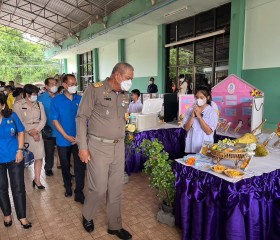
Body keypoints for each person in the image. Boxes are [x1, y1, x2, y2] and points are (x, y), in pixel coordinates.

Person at [76, 62, 133, 239]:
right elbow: (81, 117)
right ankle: (87, 215)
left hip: (119, 146)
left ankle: (114, 226)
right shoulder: (95, 89)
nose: (130, 82)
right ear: (117, 75)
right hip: (98, 147)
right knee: (99, 188)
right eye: (128, 78)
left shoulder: (125, 95)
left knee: (116, 188)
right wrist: (83, 147)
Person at [50, 74, 86, 203]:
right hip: (63, 139)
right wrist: (66, 136)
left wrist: (79, 135)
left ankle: (79, 191)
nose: (74, 86)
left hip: (78, 139)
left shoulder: (80, 99)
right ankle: (68, 187)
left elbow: (85, 118)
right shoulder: (56, 100)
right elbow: (55, 120)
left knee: (80, 166)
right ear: (64, 85)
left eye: (75, 84)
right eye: (71, 84)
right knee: (65, 166)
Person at [0, 95, 32, 229]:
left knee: (18, 187)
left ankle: (22, 217)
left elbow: (20, 132)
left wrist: (20, 150)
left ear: (2, 105)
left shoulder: (11, 116)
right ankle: (7, 214)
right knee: (1, 188)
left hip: (15, 156)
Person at [13, 84, 47, 189]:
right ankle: (20, 183)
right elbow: (19, 121)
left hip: (37, 134)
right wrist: (30, 132)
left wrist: (36, 131)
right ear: (26, 94)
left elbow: (43, 120)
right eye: (33, 94)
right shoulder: (18, 105)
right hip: (24, 135)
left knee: (39, 157)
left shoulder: (39, 104)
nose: (35, 96)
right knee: (22, 160)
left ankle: (37, 180)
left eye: (36, 93)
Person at [182, 86, 218, 153]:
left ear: (207, 98)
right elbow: (186, 128)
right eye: (197, 97)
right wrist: (192, 116)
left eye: (201, 97)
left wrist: (199, 116)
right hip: (191, 144)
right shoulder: (190, 110)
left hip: (205, 144)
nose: (199, 100)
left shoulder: (212, 112)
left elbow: (209, 132)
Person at [38, 77, 58, 176]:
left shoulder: (60, 97)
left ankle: (64, 167)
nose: (54, 86)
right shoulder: (40, 99)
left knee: (63, 150)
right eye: (52, 84)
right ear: (46, 86)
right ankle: (48, 167)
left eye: (55, 83)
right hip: (48, 130)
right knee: (49, 151)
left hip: (61, 130)